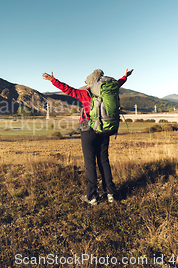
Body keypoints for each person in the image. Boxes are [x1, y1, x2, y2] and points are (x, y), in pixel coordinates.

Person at [42, 68, 134, 205]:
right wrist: (125, 76)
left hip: (87, 130)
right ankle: (111, 194)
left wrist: (52, 80)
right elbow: (118, 83)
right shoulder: (107, 90)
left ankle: (92, 196)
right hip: (104, 128)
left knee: (90, 163)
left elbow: (67, 89)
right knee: (104, 161)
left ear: (90, 82)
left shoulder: (84, 93)